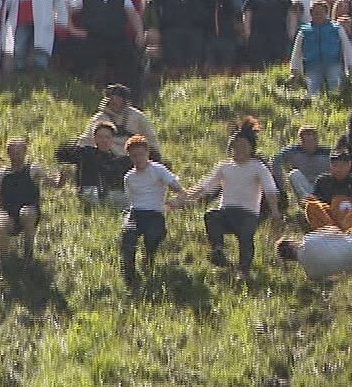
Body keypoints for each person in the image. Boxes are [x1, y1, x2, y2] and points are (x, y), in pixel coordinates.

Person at [179, 118, 280, 276]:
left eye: (243, 146)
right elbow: (205, 185)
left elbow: (270, 190)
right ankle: (218, 250)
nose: (239, 149)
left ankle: (244, 268)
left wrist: (275, 212)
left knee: (246, 236)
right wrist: (181, 198)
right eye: (236, 146)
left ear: (251, 148)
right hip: (226, 211)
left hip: (248, 214)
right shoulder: (224, 166)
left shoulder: (258, 167)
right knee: (211, 216)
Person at [120, 134, 185, 291]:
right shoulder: (129, 177)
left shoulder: (158, 170)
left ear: (147, 153)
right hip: (136, 212)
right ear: (129, 157)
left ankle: (148, 258)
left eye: (141, 154)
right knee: (127, 237)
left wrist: (176, 201)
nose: (138, 159)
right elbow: (129, 200)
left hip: (154, 213)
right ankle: (130, 277)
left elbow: (180, 190)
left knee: (153, 235)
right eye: (134, 156)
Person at [0, 137, 60, 261]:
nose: (16, 156)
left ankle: (28, 253)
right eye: (13, 152)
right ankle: (4, 260)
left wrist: (61, 176)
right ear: (8, 153)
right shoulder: (2, 174)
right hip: (10, 216)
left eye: (19, 152)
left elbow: (53, 183)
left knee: (26, 212)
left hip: (29, 212)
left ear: (25, 152)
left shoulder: (33, 169)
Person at [54, 120, 132, 206]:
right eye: (100, 137)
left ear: (112, 139)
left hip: (108, 195)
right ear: (95, 138)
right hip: (89, 192)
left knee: (128, 199)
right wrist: (79, 142)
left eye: (107, 137)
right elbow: (61, 153)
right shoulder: (86, 153)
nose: (104, 140)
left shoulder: (117, 160)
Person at [290, 0, 352, 96]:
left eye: (321, 12)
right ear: (311, 13)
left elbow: (346, 47)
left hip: (333, 64)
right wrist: (294, 70)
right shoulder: (304, 31)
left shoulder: (336, 28)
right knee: (312, 89)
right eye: (315, 12)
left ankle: (335, 103)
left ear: (326, 13)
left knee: (335, 84)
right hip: (312, 66)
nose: (318, 15)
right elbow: (297, 52)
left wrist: (351, 65)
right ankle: (314, 106)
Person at [80, 84, 160, 158]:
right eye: (111, 97)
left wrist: (154, 155)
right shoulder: (99, 118)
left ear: (124, 100)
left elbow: (151, 139)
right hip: (105, 158)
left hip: (133, 158)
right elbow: (87, 140)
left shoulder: (137, 117)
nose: (114, 100)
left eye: (118, 98)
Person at [304, 150, 352, 231]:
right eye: (335, 165)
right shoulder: (322, 181)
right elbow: (318, 202)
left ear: (349, 165)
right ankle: (331, 230)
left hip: (351, 219)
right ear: (330, 166)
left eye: (342, 165)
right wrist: (311, 199)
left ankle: (351, 232)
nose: (339, 169)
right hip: (330, 219)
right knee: (311, 206)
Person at [269, 125, 333, 204]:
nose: (309, 144)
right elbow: (276, 160)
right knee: (294, 174)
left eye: (312, 140)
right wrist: (280, 185)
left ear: (316, 140)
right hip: (304, 186)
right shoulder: (293, 151)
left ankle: (323, 201)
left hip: (322, 186)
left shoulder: (327, 152)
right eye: (306, 141)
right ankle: (309, 202)